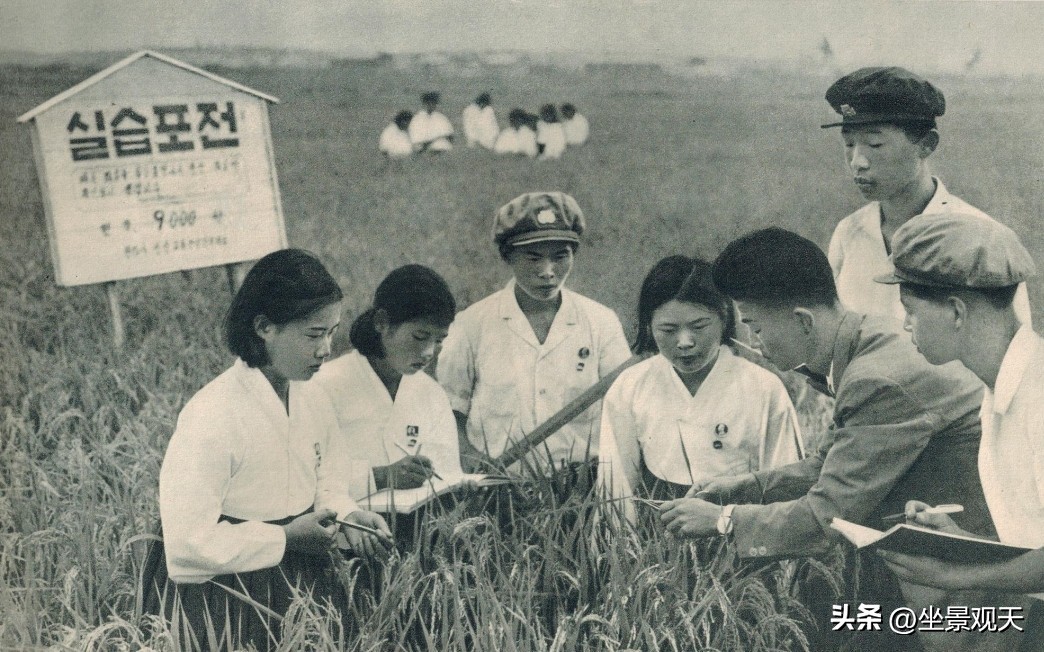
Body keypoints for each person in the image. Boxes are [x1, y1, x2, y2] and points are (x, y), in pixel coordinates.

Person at [659, 228, 994, 651]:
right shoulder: (867, 341)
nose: (755, 344)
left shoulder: (877, 379)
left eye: (756, 327)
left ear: (803, 320)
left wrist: (722, 519)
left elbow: (824, 518)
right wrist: (747, 486)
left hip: (972, 573)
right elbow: (830, 464)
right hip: (933, 553)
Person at [146, 249, 392, 651]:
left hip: (303, 572)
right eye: (314, 334)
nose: (326, 349)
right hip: (225, 590)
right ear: (264, 327)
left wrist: (348, 515)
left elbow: (328, 479)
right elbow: (187, 542)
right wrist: (284, 538)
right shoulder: (211, 413)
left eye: (332, 332)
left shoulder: (314, 397)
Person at [870, 212, 1044, 647]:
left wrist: (955, 575)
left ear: (955, 311)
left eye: (910, 310)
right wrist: (961, 542)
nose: (905, 324)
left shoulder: (1037, 395)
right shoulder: (1002, 386)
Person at [437, 191, 631, 479]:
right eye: (533, 258)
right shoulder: (471, 325)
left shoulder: (601, 322)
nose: (548, 272)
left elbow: (626, 409)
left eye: (560, 257)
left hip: (584, 486)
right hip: (498, 486)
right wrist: (473, 461)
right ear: (508, 257)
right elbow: (446, 411)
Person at [597, 255, 803, 524]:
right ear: (649, 326)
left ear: (724, 318)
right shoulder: (630, 386)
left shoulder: (763, 387)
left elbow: (785, 484)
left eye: (699, 326)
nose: (684, 342)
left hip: (742, 525)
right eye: (668, 329)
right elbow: (615, 485)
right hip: (662, 527)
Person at [822, 66, 1031, 326]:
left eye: (875, 144)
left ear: (927, 144)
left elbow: (1014, 345)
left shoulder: (981, 240)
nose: (857, 162)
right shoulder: (849, 233)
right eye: (849, 144)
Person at [313, 264, 462, 500]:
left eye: (439, 340)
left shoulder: (431, 394)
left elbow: (448, 473)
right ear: (382, 322)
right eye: (420, 337)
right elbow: (305, 481)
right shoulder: (324, 386)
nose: (428, 352)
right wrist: (381, 477)